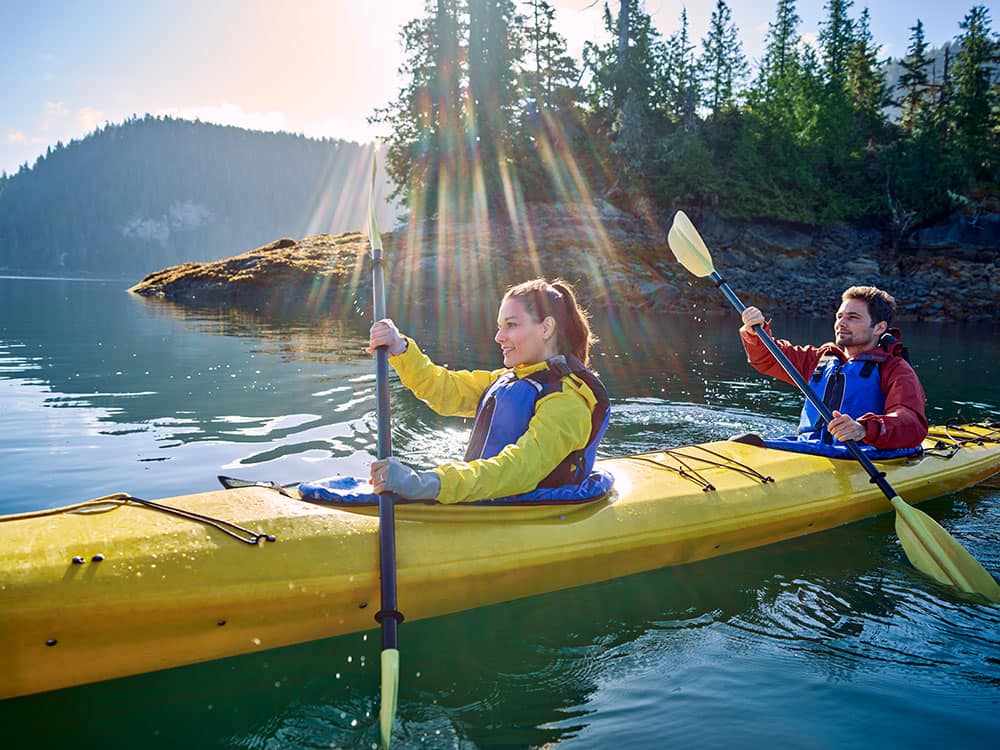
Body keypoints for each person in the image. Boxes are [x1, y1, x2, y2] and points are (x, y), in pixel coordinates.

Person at [366, 278, 611, 504]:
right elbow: (445, 390)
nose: (498, 336)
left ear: (546, 328)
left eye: (511, 325)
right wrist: (399, 347)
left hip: (534, 515)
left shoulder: (568, 401)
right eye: (499, 326)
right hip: (489, 500)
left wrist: (424, 483)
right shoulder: (509, 380)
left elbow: (519, 469)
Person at [739, 285, 927, 455]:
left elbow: (911, 421)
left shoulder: (895, 369)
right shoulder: (822, 359)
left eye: (853, 317)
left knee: (748, 444)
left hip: (861, 453)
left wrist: (863, 428)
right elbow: (767, 358)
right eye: (839, 317)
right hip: (811, 446)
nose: (841, 323)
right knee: (744, 444)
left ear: (879, 327)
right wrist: (755, 332)